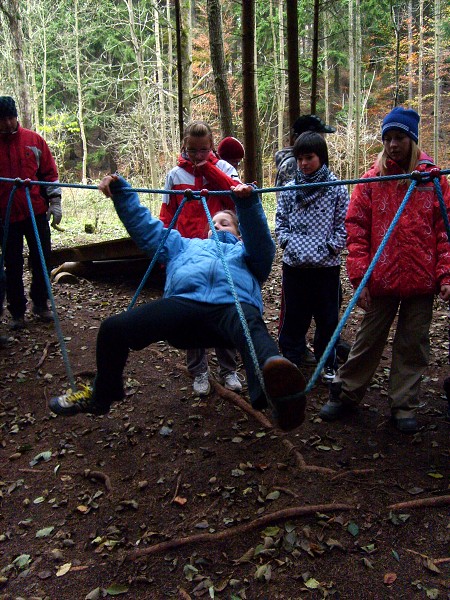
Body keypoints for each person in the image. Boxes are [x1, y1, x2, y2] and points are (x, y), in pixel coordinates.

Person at [49, 175, 307, 432]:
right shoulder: (184, 246)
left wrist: (247, 205)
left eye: (225, 224)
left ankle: (279, 395)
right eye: (213, 223)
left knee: (252, 327)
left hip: (232, 308)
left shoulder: (246, 254)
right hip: (184, 306)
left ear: (239, 234)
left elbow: (261, 242)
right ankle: (102, 395)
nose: (217, 227)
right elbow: (147, 230)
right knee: (112, 329)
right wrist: (121, 193)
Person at [319, 106, 450, 434]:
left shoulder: (433, 180)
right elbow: (357, 228)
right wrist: (360, 276)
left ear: (412, 139)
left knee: (413, 342)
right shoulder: (372, 180)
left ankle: (403, 403)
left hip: (422, 280)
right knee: (368, 338)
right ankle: (347, 393)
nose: (393, 144)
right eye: (388, 138)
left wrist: (445, 274)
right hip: (382, 277)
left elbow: (445, 230)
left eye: (400, 137)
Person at [160, 121, 242, 396]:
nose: (197, 155)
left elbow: (234, 193)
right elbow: (167, 215)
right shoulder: (174, 176)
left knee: (224, 306)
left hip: (220, 252)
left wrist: (208, 167)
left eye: (204, 150)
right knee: (191, 311)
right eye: (192, 150)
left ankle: (228, 369)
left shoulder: (224, 169)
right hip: (187, 252)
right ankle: (198, 371)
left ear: (212, 147)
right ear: (184, 146)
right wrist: (165, 252)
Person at [275, 131, 349, 382]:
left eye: (309, 157)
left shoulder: (336, 189)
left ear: (321, 157)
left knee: (327, 317)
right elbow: (281, 222)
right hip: (295, 266)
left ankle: (327, 361)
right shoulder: (288, 190)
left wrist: (330, 247)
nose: (304, 163)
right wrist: (289, 243)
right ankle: (291, 359)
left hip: (325, 267)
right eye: (300, 158)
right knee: (294, 315)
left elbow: (343, 224)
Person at [0, 96, 62, 330]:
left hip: (35, 212)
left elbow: (49, 173)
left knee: (41, 259)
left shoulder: (33, 141)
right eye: (2, 119)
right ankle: (17, 312)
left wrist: (55, 202)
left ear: (16, 116)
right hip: (5, 216)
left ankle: (40, 303)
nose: (7, 123)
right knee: (12, 264)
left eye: (10, 117)